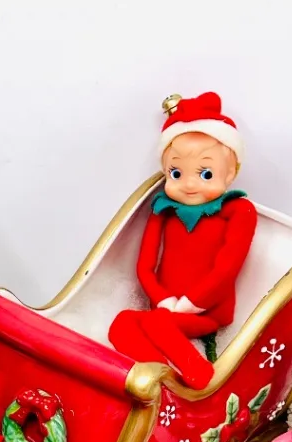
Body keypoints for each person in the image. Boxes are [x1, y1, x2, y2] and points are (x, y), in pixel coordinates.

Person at [107, 92, 258, 389]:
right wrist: (162, 299)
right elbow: (145, 265)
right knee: (122, 323)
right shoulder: (164, 209)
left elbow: (227, 268)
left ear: (231, 173)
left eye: (205, 174)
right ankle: (162, 378)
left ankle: (200, 375)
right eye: (176, 173)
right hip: (165, 308)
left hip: (206, 312)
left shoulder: (238, 210)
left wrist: (192, 303)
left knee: (157, 322)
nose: (189, 184)